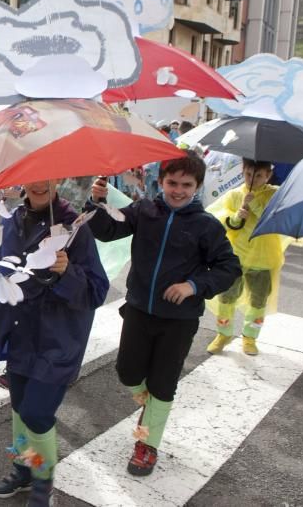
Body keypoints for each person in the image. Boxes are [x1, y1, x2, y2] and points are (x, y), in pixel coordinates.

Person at [86, 152, 241, 477]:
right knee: (127, 372)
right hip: (140, 310)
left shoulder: (206, 226)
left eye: (187, 185)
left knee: (163, 384)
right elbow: (109, 230)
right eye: (173, 182)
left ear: (197, 186)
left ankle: (146, 444)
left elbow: (229, 267)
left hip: (180, 322)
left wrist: (194, 285)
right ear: (161, 181)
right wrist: (96, 203)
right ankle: (152, 406)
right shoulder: (144, 210)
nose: (178, 190)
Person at [0, 180, 109, 505]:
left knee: (37, 413)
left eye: (46, 177)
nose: (38, 183)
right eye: (31, 176)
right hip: (21, 334)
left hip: (58, 341)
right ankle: (24, 469)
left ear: (58, 181)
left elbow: (97, 290)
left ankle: (43, 483)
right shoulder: (11, 222)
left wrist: (68, 272)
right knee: (19, 408)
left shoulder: (76, 229)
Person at [205, 159, 290, 356]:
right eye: (248, 174)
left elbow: (278, 221)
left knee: (259, 299)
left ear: (268, 175)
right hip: (236, 255)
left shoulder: (275, 194)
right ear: (243, 172)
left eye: (259, 175)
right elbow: (218, 219)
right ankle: (223, 333)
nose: (253, 179)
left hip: (263, 256)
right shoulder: (235, 195)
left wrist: (256, 207)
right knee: (227, 296)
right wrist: (236, 217)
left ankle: (250, 337)